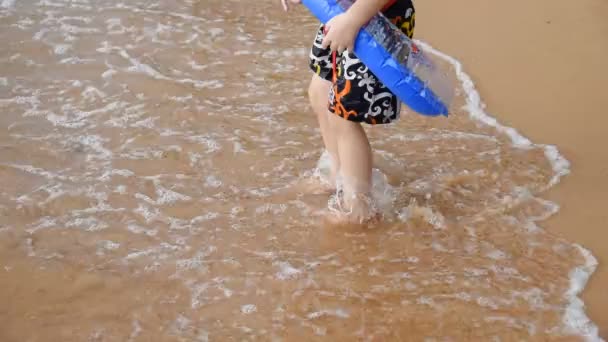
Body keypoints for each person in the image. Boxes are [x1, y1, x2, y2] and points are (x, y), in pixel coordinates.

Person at [282, 0, 416, 223]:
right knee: (320, 90)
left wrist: (353, 20)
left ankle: (358, 205)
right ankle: (336, 175)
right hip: (342, 14)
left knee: (342, 114)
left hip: (374, 20)